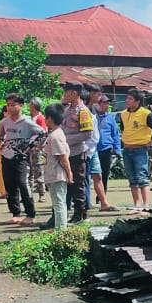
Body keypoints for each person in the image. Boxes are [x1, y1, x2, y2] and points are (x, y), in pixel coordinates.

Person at [0, 94, 43, 225]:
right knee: (10, 186)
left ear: (21, 106)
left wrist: (31, 147)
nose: (10, 108)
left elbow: (42, 133)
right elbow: (0, 134)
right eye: (8, 105)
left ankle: (30, 214)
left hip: (21, 158)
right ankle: (15, 213)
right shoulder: (4, 122)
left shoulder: (27, 122)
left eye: (13, 105)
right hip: (6, 157)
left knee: (23, 184)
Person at [60, 83, 95, 223]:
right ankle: (74, 213)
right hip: (67, 153)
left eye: (66, 93)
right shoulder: (67, 110)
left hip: (77, 153)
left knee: (78, 185)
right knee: (69, 184)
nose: (64, 96)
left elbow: (87, 134)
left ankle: (80, 213)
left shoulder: (83, 111)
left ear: (74, 93)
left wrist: (66, 140)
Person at [118, 89, 152, 208]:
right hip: (127, 149)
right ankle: (137, 203)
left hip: (140, 149)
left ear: (138, 101)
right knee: (132, 178)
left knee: (142, 177)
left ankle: (146, 204)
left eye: (130, 99)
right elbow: (123, 128)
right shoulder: (123, 114)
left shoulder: (146, 114)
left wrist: (150, 142)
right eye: (127, 98)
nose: (127, 101)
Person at [42, 104, 73, 230]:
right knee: (57, 203)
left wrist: (69, 174)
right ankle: (59, 228)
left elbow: (63, 158)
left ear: (49, 118)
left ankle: (61, 230)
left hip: (57, 174)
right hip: (52, 173)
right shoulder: (55, 134)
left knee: (59, 203)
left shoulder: (56, 136)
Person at [95, 96, 121, 205]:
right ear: (98, 104)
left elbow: (115, 134)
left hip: (106, 149)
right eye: (104, 103)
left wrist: (117, 149)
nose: (106, 105)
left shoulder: (110, 118)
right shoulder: (93, 117)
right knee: (95, 174)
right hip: (93, 149)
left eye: (107, 103)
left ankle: (102, 196)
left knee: (105, 174)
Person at [27, 98, 47, 203]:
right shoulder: (31, 118)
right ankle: (29, 193)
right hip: (31, 148)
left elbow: (44, 134)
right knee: (30, 171)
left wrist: (39, 146)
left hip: (37, 149)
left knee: (38, 171)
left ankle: (42, 194)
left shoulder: (40, 118)